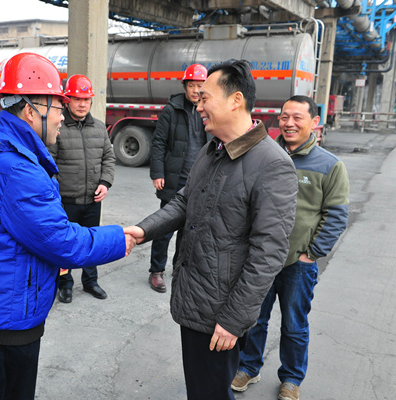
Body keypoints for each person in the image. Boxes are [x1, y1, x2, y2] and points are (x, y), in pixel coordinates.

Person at [0, 52, 134, 400]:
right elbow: (63, 243)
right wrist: (119, 238)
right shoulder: (17, 169)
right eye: (58, 107)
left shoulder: (2, 151)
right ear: (31, 110)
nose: (63, 116)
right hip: (8, 312)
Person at [124, 59, 298, 400]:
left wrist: (234, 320)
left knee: (211, 393)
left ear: (235, 100)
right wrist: (143, 231)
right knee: (200, 389)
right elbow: (183, 202)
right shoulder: (211, 149)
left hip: (221, 312)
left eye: (205, 98)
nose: (199, 105)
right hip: (195, 298)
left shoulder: (272, 164)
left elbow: (269, 254)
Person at [232, 96, 349, 400]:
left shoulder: (329, 165)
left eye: (298, 117)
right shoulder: (263, 156)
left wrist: (311, 254)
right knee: (253, 319)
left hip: (297, 263)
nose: (289, 123)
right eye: (285, 117)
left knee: (295, 325)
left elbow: (336, 215)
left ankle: (292, 378)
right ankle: (248, 367)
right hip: (260, 258)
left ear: (314, 122)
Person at [49, 74, 116, 303]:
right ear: (68, 100)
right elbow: (49, 163)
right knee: (65, 245)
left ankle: (90, 281)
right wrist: (55, 193)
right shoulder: (58, 126)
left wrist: (105, 183)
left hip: (93, 200)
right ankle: (65, 284)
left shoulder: (99, 127)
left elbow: (108, 158)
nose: (82, 104)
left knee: (92, 242)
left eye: (86, 99)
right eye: (77, 99)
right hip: (66, 201)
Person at [148, 64, 210, 293]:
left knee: (189, 230)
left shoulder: (209, 111)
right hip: (174, 180)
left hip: (199, 181)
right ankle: (156, 271)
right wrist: (158, 173)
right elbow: (158, 143)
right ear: (185, 86)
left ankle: (179, 268)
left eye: (200, 86)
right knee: (164, 228)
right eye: (192, 85)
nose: (196, 90)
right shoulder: (171, 110)